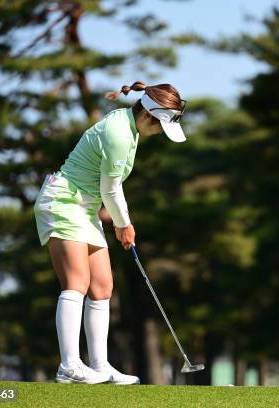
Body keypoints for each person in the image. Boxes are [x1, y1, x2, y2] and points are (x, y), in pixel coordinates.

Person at [33, 81, 187, 384]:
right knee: (77, 282)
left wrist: (119, 221)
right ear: (147, 116)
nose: (159, 134)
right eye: (160, 128)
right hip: (63, 201)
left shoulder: (130, 127)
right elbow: (111, 189)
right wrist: (124, 224)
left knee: (102, 287)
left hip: (84, 208)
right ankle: (69, 365)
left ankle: (100, 365)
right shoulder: (119, 134)